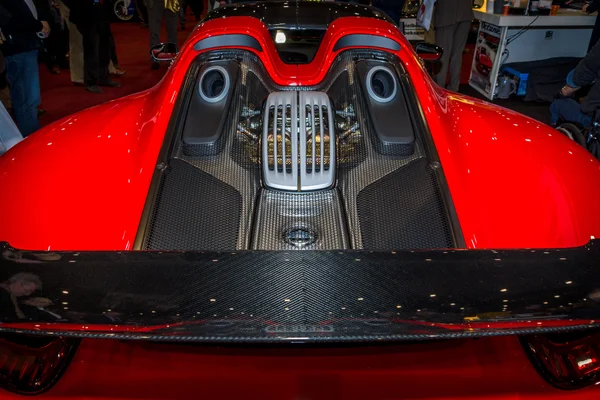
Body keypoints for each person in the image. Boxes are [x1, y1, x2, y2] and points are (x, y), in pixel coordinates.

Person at [0, 0, 51, 136]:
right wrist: (39, 25)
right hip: (17, 48)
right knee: (26, 99)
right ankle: (31, 140)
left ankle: (31, 136)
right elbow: (14, 18)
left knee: (29, 99)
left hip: (24, 46)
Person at [70, 0, 120, 93]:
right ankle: (90, 82)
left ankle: (104, 77)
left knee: (105, 48)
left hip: (103, 13)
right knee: (91, 50)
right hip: (86, 15)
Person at [550, 40, 600, 127]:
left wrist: (568, 88)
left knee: (556, 104)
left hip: (595, 120)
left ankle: (553, 132)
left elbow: (585, 71)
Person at [433, 0, 474, 92]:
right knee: (457, 54)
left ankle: (439, 89)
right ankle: (453, 88)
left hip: (446, 13)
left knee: (443, 54)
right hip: (465, 12)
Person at [148, 0, 179, 70]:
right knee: (154, 31)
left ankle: (173, 56)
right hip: (155, 2)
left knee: (172, 30)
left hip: (172, 1)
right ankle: (155, 59)